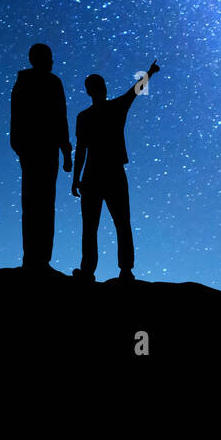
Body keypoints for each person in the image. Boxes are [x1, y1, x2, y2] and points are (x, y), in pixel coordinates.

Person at [71, 60, 160, 282]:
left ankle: (93, 270)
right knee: (118, 222)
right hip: (110, 172)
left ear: (89, 91)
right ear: (101, 89)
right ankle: (123, 270)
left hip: (94, 173)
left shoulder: (86, 116)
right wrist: (149, 73)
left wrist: (76, 178)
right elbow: (135, 91)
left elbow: (81, 149)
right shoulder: (113, 108)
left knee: (95, 225)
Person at [9, 43, 73, 273]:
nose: (52, 61)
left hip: (42, 150)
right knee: (38, 204)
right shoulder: (32, 82)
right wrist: (21, 147)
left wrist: (65, 151)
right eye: (50, 57)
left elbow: (60, 118)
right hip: (36, 150)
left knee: (40, 204)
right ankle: (34, 259)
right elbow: (58, 118)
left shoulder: (49, 82)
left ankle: (40, 259)